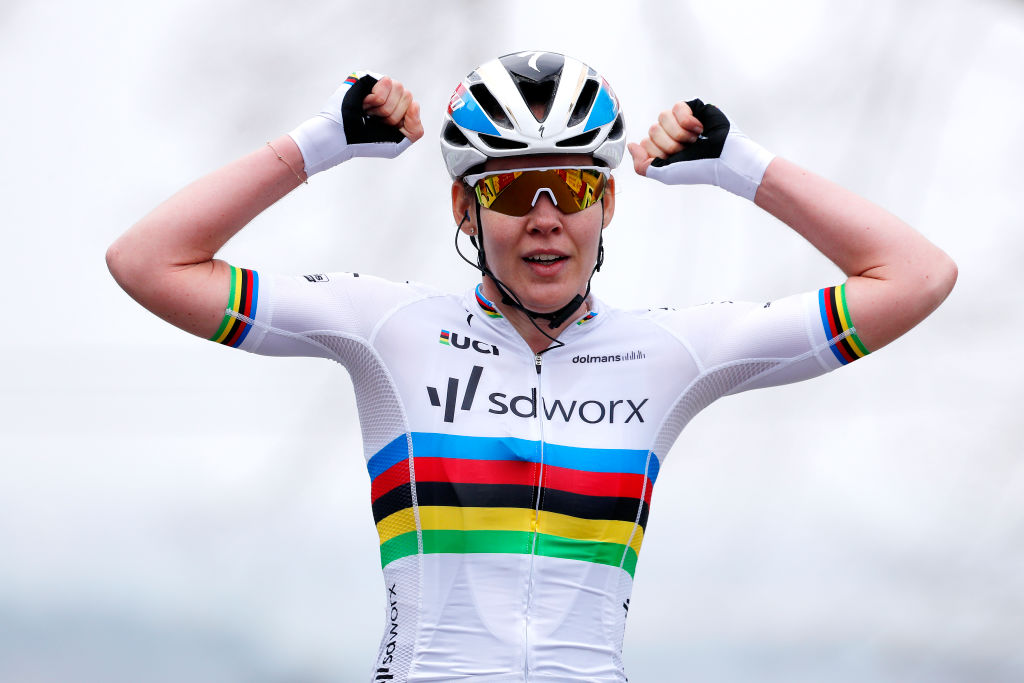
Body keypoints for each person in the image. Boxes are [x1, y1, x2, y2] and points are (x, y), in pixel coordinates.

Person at [106, 51, 956, 682]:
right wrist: (320, 142)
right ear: (465, 209)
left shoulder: (669, 356)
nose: (545, 218)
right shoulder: (389, 330)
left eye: (574, 189)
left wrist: (744, 167)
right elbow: (149, 263)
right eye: (513, 192)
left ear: (608, 202)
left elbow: (916, 277)